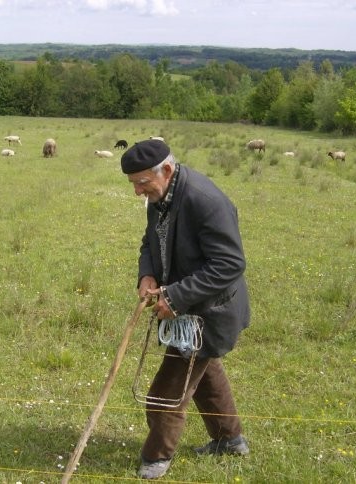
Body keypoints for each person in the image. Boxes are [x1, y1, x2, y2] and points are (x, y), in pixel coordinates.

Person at [120, 139, 251, 480]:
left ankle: (156, 457)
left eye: (141, 182)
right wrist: (147, 273)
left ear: (165, 169)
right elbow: (151, 240)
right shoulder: (160, 195)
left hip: (208, 312)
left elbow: (230, 263)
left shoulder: (203, 200)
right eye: (133, 183)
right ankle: (230, 440)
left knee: (165, 391)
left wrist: (175, 296)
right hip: (188, 309)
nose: (137, 191)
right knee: (205, 372)